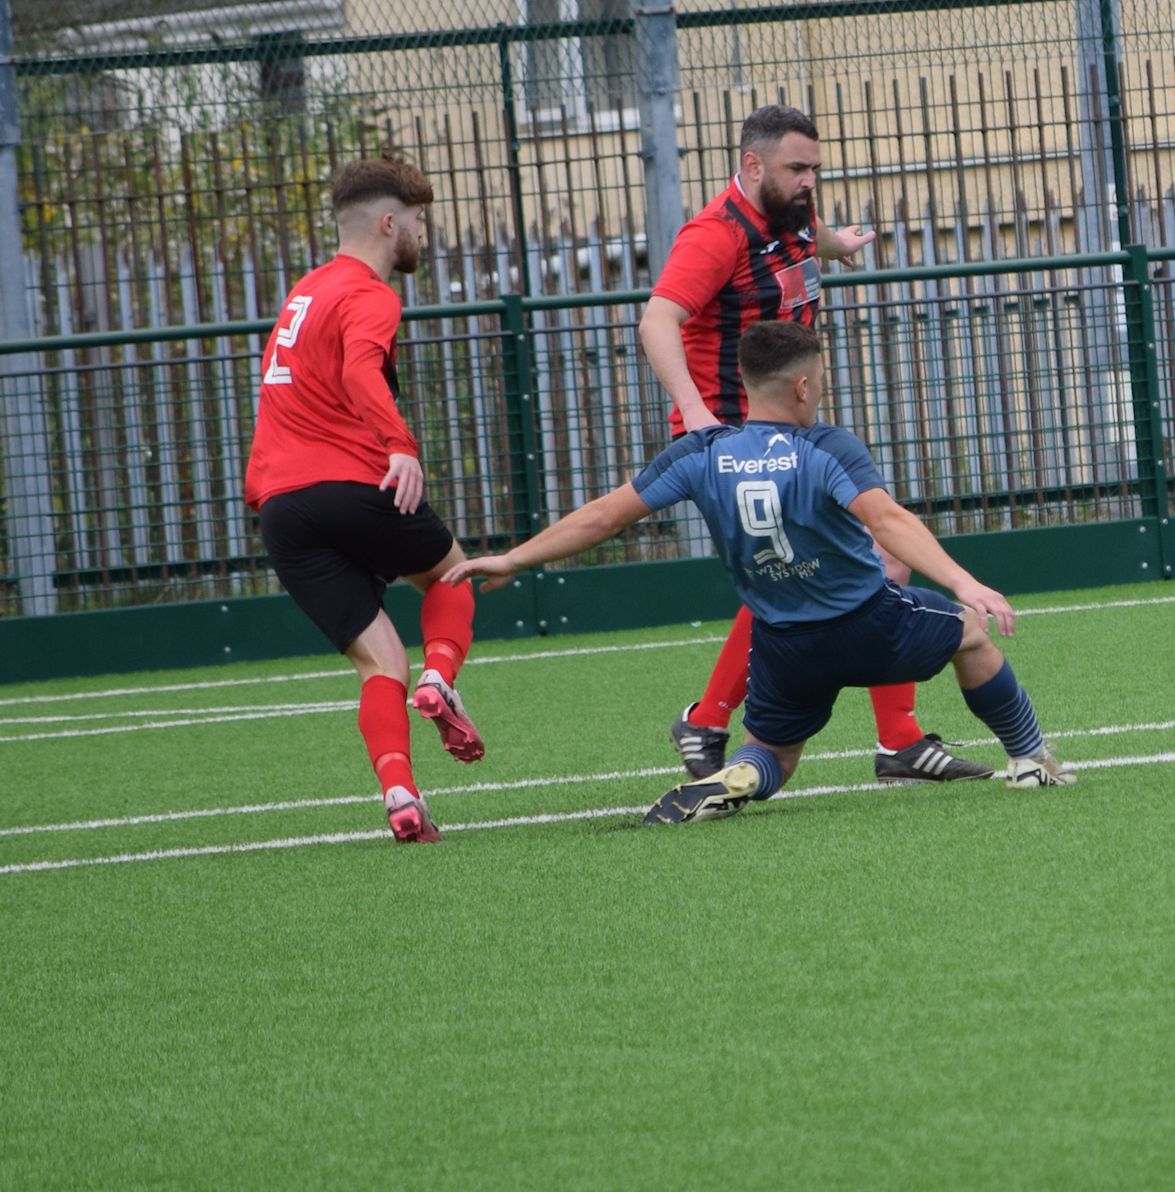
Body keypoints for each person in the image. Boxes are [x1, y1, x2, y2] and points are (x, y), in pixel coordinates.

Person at [447, 320, 1072, 819]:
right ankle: (1029, 760)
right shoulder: (825, 446)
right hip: (869, 623)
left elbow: (602, 518)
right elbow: (887, 521)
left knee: (774, 756)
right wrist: (964, 583)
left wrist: (514, 557)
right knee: (970, 634)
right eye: (819, 380)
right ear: (801, 386)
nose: (820, 391)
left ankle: (739, 775)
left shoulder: (702, 453)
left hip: (781, 646)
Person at [640, 102, 990, 785]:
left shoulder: (792, 213)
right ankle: (889, 740)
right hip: (732, 434)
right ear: (752, 166)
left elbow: (810, 237)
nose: (809, 181)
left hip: (781, 428)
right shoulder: (714, 236)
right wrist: (697, 414)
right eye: (796, 168)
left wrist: (838, 244)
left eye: (814, 169)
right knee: (841, 562)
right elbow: (658, 320)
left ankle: (718, 720)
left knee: (830, 565)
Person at [244, 159, 481, 843]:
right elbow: (357, 371)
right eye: (419, 220)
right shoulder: (370, 293)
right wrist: (400, 445)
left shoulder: (304, 292)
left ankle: (401, 794)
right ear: (388, 222)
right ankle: (440, 679)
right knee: (454, 575)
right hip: (350, 482)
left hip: (280, 509)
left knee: (380, 664)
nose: (423, 234)